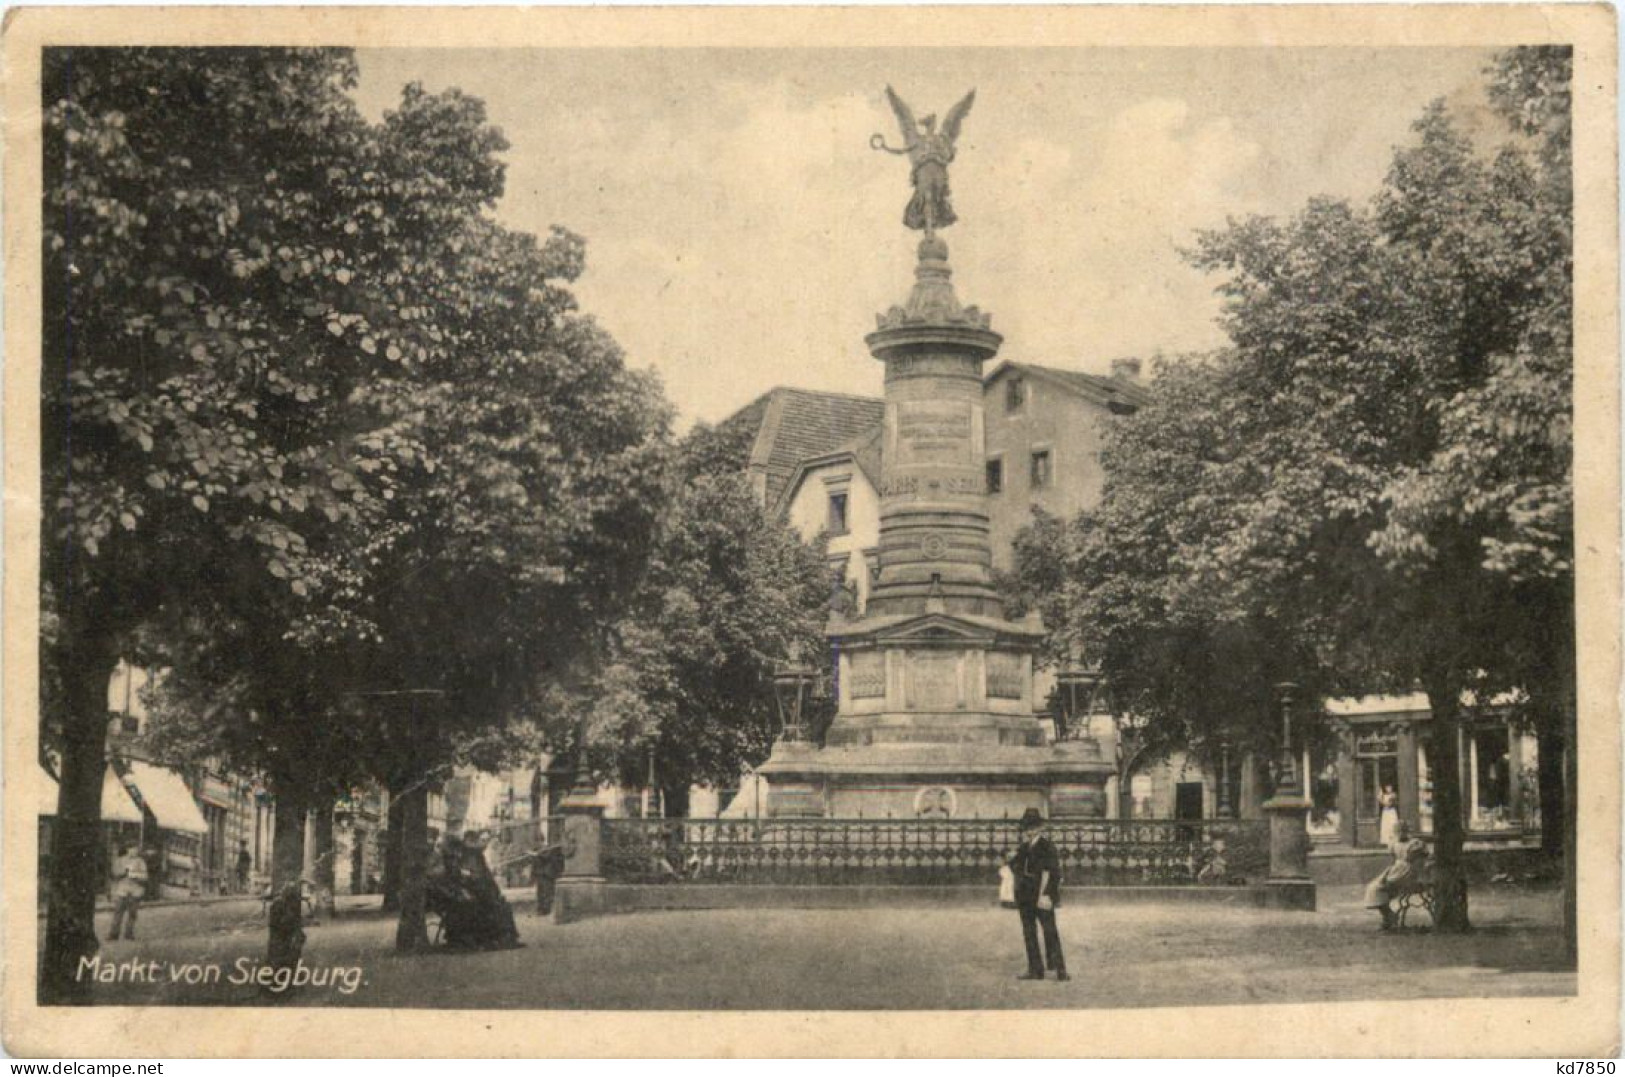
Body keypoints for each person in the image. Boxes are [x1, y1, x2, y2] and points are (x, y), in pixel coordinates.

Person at [1007, 808, 1067, 981]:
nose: (1029, 831)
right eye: (1026, 827)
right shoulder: (1025, 847)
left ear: (1040, 827)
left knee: (1050, 931)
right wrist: (1012, 858)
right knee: (1029, 931)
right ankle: (1035, 969)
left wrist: (1047, 895)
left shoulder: (1047, 847)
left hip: (1041, 894)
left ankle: (1060, 970)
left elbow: (1054, 873)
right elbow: (1014, 865)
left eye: (1033, 827)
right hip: (1025, 896)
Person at [460, 830, 523, 950]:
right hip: (477, 893)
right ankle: (503, 939)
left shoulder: (475, 855)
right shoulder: (470, 855)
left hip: (482, 891)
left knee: (502, 906)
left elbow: (484, 877)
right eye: (478, 841)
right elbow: (475, 878)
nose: (482, 844)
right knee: (498, 908)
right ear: (469, 842)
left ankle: (507, 938)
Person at [1364, 820, 1430, 930]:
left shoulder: (1415, 844)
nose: (1401, 834)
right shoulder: (1394, 843)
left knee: (1385, 886)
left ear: (1407, 831)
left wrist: (1419, 875)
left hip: (1408, 872)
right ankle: (1388, 915)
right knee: (1373, 887)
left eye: (1403, 831)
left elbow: (1421, 862)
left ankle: (1389, 917)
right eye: (1398, 831)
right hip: (1396, 869)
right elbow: (1394, 859)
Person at [108, 843, 148, 941]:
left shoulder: (141, 862)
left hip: (135, 891)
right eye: (132, 849)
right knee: (118, 913)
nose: (134, 851)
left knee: (132, 914)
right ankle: (114, 934)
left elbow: (145, 877)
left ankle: (129, 934)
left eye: (136, 849)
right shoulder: (121, 860)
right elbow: (114, 874)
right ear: (127, 849)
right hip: (122, 890)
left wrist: (137, 876)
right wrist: (123, 873)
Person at [533, 840, 565, 917]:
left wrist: (538, 854)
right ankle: (541, 909)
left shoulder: (555, 848)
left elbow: (548, 857)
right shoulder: (541, 848)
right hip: (541, 873)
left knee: (547, 892)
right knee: (540, 892)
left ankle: (546, 909)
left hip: (548, 874)